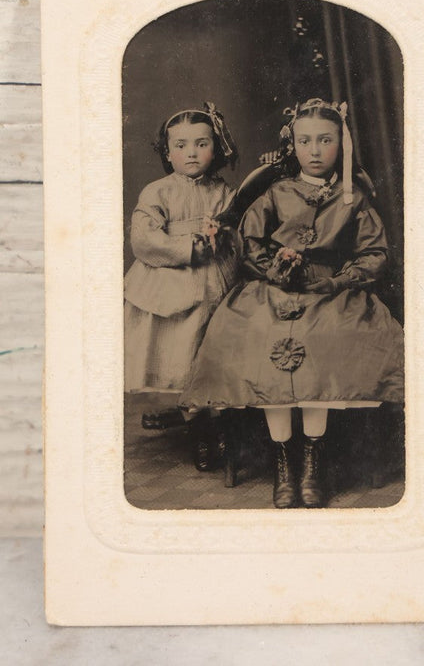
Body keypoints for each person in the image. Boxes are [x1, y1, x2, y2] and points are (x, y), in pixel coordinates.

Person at [185, 98, 404, 507]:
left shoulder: (352, 198)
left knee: (327, 337)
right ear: (293, 145)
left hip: (331, 292)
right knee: (257, 333)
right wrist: (275, 269)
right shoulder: (276, 192)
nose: (316, 151)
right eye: (306, 141)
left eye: (326, 140)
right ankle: (284, 462)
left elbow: (375, 253)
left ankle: (312, 463)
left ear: (342, 144)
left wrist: (339, 280)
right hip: (274, 288)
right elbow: (249, 240)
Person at [124, 103, 239, 469]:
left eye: (202, 144)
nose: (191, 153)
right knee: (183, 355)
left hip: (216, 278)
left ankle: (219, 426)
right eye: (181, 145)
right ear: (167, 152)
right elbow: (143, 239)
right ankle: (198, 431)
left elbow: (240, 231)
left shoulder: (224, 192)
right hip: (173, 282)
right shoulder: (157, 192)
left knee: (213, 352)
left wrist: (221, 238)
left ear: (215, 148)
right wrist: (188, 247)